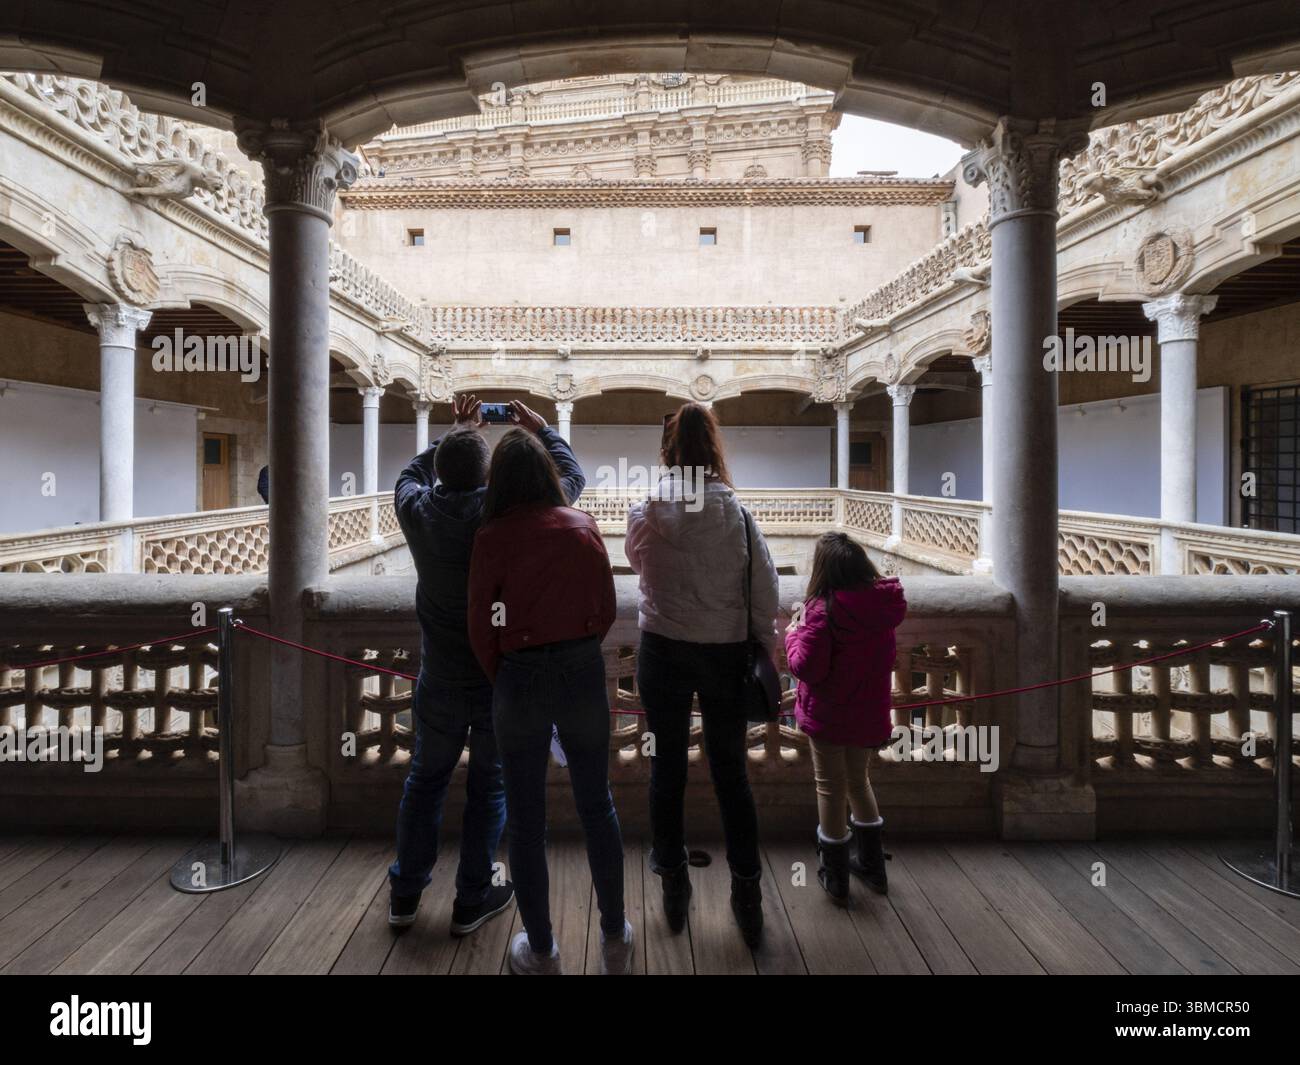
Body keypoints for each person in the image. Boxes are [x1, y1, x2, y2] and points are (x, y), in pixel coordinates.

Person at [387, 395, 584, 935]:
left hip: (441, 679)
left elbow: (407, 474)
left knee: (425, 781)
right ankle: (471, 899)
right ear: (488, 474)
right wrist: (542, 431)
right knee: (489, 787)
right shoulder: (508, 519)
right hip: (499, 676)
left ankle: (405, 894)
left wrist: (456, 431)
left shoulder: (417, 512)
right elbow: (570, 482)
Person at [467, 427, 631, 976]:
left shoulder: (492, 537)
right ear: (547, 474)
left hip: (520, 676)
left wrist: (508, 675)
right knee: (597, 805)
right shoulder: (582, 528)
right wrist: (577, 650)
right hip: (581, 672)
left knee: (526, 819)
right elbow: (605, 608)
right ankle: (614, 938)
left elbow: (480, 624)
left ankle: (542, 950)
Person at [625, 402, 780, 948]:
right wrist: (761, 638)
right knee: (729, 772)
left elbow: (640, 566)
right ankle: (747, 892)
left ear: (667, 451)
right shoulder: (735, 513)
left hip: (662, 650)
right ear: (714, 450)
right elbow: (765, 590)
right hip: (723, 653)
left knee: (666, 769)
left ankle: (672, 881)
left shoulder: (646, 508)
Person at [784, 532, 906, 901]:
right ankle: (873, 867)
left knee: (830, 788)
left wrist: (792, 635)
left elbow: (807, 667)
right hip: (869, 712)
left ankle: (835, 875)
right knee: (859, 781)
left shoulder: (824, 610)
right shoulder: (884, 604)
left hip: (831, 714)